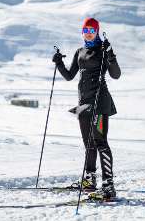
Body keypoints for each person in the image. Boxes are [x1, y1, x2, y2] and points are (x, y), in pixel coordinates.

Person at [52, 17, 121, 198]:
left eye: (92, 31)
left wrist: (111, 55)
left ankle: (108, 185)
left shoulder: (103, 50)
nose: (89, 34)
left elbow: (116, 75)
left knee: (101, 143)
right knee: (88, 144)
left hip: (100, 104)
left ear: (97, 32)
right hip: (83, 105)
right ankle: (89, 181)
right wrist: (59, 63)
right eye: (86, 31)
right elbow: (69, 76)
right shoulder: (80, 51)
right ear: (82, 33)